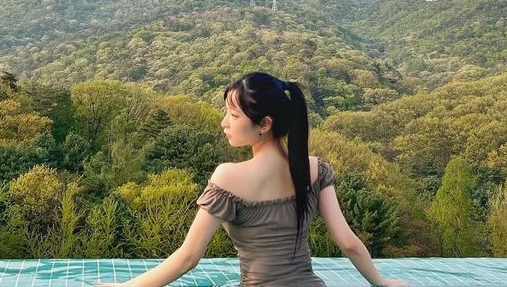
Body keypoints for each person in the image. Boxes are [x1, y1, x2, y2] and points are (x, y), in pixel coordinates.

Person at [95, 71, 410, 287]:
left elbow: (188, 258)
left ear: (264, 124)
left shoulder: (228, 177)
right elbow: (349, 244)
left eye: (233, 115)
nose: (224, 123)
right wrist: (380, 281)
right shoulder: (314, 169)